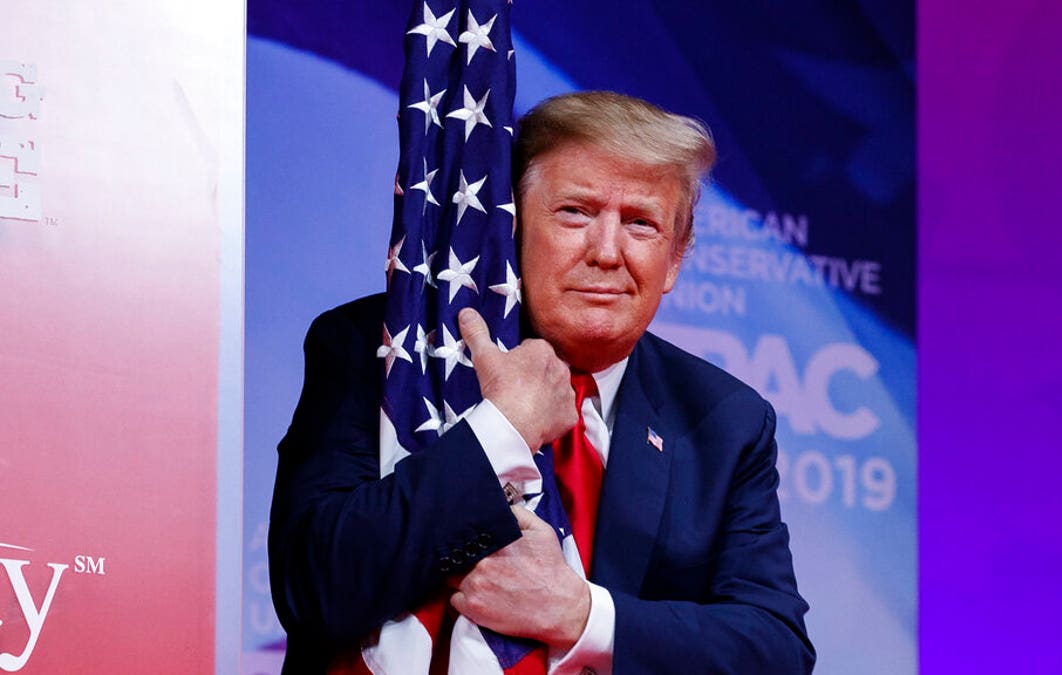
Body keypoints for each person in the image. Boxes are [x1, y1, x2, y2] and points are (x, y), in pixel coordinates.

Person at [269, 91, 816, 674]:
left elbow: (776, 650)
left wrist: (582, 617)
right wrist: (499, 432)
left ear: (675, 258)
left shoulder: (724, 420)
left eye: (641, 223)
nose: (607, 252)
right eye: (575, 212)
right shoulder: (381, 349)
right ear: (511, 230)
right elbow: (314, 587)